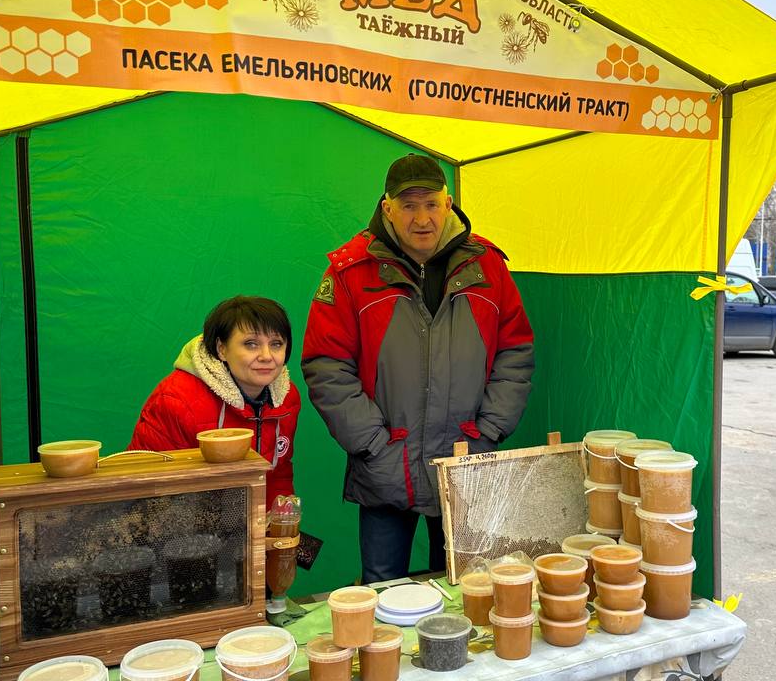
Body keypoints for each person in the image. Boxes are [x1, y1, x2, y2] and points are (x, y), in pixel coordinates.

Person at [303, 153, 535, 583]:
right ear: (387, 208)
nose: (422, 218)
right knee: (381, 590)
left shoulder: (486, 266)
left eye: (431, 203)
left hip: (466, 461)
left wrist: (488, 431)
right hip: (386, 464)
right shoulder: (350, 272)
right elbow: (327, 365)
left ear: (448, 203)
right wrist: (372, 444)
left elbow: (515, 349)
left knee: (469, 584)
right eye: (409, 205)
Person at [130, 296, 301, 501]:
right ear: (221, 349)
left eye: (276, 344)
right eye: (251, 344)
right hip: (178, 522)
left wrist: (275, 522)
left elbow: (278, 475)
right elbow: (150, 488)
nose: (266, 356)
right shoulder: (177, 398)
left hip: (249, 523)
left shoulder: (287, 397)